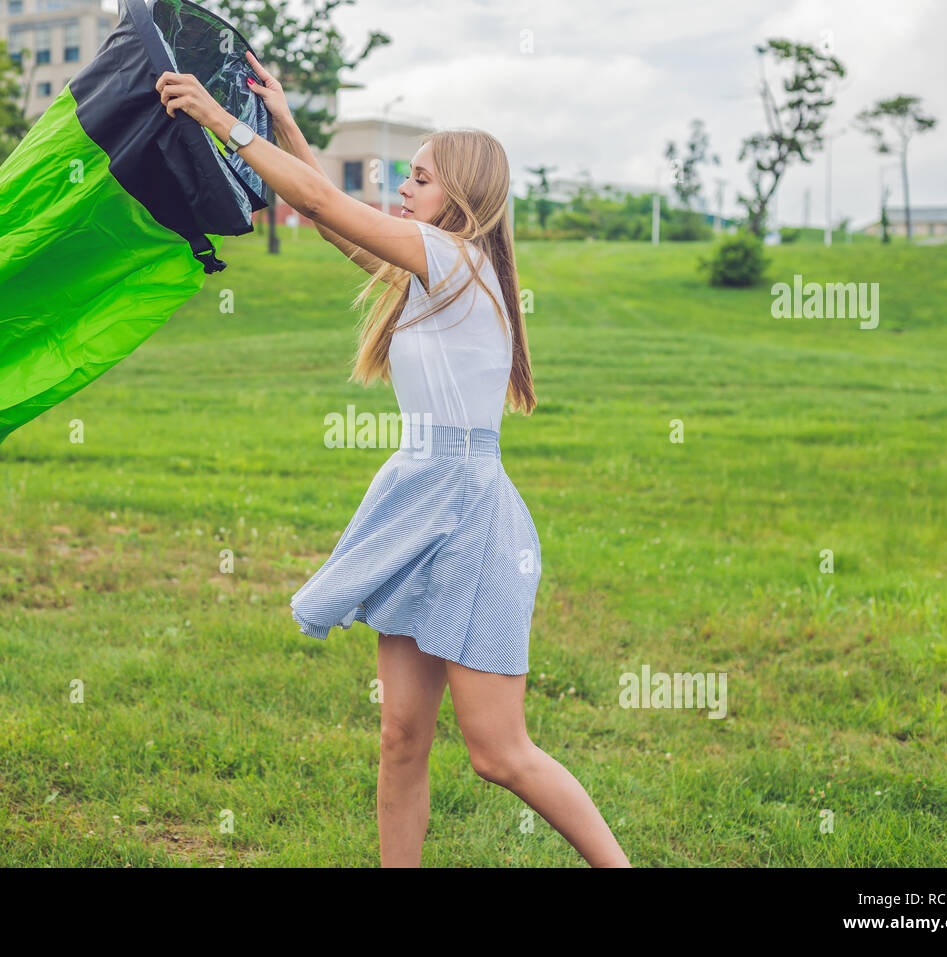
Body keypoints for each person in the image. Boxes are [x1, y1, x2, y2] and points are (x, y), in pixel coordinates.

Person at [158, 54, 630, 868]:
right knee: (401, 733)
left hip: (469, 515)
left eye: (419, 178)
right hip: (422, 501)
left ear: (463, 196)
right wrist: (286, 123)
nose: (402, 189)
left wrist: (220, 119)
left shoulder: (453, 260)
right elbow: (333, 218)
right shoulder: (429, 271)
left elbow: (323, 199)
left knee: (498, 752)